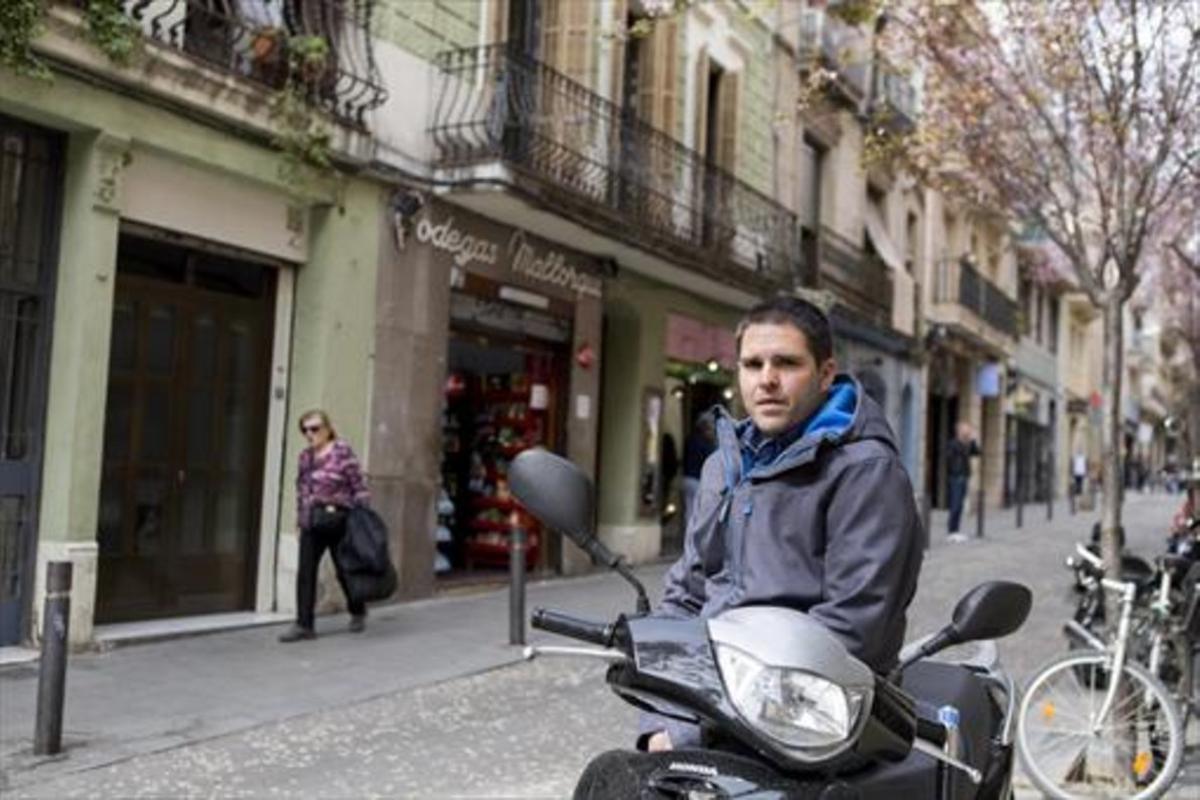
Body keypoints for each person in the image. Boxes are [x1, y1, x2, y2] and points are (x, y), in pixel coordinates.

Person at [639, 296, 924, 752]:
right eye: (753, 364)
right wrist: (660, 717)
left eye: (786, 363)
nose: (767, 380)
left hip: (814, 714)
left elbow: (854, 628)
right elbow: (686, 596)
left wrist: (703, 727)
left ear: (826, 373)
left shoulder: (865, 470)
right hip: (714, 701)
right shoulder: (722, 466)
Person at [279, 409, 371, 643]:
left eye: (315, 428)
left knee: (344, 570)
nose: (310, 434)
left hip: (339, 520)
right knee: (306, 573)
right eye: (305, 430)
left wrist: (361, 519)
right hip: (312, 521)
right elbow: (301, 491)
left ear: (328, 429)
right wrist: (300, 521)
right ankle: (304, 625)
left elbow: (358, 486)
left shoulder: (342, 452)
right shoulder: (305, 458)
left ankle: (358, 610)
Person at [946, 421, 980, 543]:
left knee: (960, 505)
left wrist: (973, 440)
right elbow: (949, 459)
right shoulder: (953, 444)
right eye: (966, 430)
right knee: (955, 504)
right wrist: (955, 471)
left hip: (964, 477)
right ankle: (951, 531)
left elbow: (977, 452)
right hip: (956, 477)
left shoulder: (967, 444)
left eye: (969, 430)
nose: (968, 432)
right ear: (959, 431)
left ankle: (956, 530)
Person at [679, 415, 716, 526]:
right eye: (710, 428)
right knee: (700, 511)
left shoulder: (689, 440)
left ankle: (689, 537)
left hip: (686, 478)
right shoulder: (706, 444)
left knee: (689, 510)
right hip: (698, 480)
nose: (712, 431)